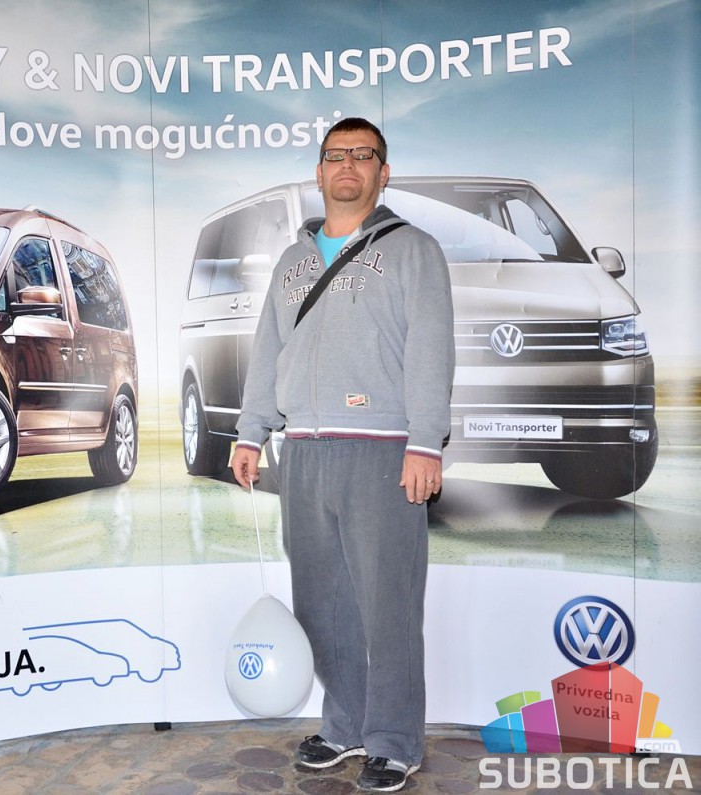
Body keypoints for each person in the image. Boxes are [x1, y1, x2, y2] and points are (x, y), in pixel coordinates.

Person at [230, 117, 454, 793]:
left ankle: (393, 740)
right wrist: (251, 430)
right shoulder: (292, 261)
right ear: (319, 170)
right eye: (336, 155)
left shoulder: (414, 250)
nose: (348, 166)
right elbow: (269, 350)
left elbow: (431, 349)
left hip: (382, 451)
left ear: (383, 172)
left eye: (363, 155)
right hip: (302, 450)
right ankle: (345, 725)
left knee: (388, 606)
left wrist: (425, 441)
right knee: (322, 604)